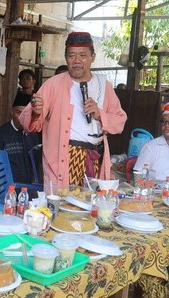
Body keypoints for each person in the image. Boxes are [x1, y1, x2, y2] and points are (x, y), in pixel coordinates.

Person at [20, 32, 127, 187]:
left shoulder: (104, 86)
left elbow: (119, 121)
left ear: (93, 57)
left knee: (94, 206)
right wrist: (36, 112)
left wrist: (99, 114)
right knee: (65, 206)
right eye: (71, 56)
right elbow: (28, 123)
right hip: (65, 157)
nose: (77, 61)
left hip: (97, 155)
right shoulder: (53, 85)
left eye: (83, 55)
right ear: (66, 58)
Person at [0, 92, 40, 183]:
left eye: (26, 113)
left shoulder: (33, 134)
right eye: (19, 112)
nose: (22, 117)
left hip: (30, 189)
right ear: (12, 112)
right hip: (7, 189)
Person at [134, 103, 169, 180]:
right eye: (163, 121)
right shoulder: (151, 147)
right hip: (156, 190)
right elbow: (138, 175)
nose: (166, 125)